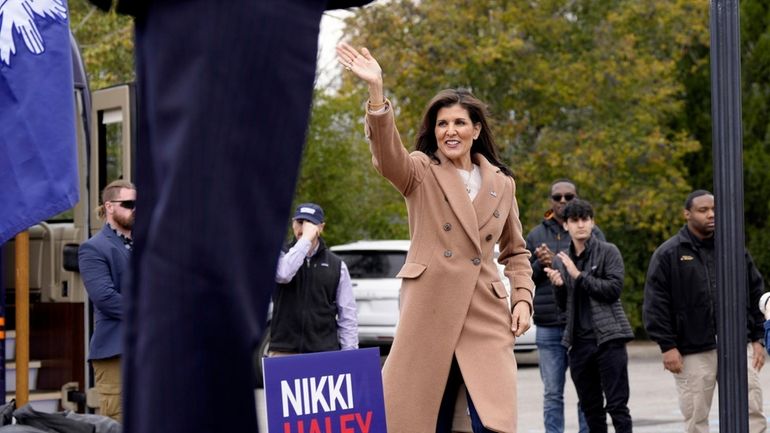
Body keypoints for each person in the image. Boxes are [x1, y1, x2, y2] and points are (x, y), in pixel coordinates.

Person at [80, 1, 374, 433]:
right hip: (235, 21)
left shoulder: (333, 264)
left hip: (196, 24)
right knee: (202, 293)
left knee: (188, 290)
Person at [336, 42, 534, 433]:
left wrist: (523, 299)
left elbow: (516, 252)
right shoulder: (421, 172)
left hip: (486, 316)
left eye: (459, 123)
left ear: (476, 130)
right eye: (442, 124)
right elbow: (387, 156)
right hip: (429, 314)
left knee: (492, 423)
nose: (450, 131)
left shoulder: (502, 183)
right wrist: (377, 93)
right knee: (428, 420)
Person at [643, 189, 766, 433]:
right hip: (692, 350)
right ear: (687, 214)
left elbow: (755, 292)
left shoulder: (733, 249)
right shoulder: (669, 253)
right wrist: (667, 346)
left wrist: (757, 338)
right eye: (703, 210)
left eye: (714, 210)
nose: (711, 215)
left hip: (735, 344)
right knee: (696, 417)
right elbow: (655, 303)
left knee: (752, 409)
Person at [544, 199, 633, 433]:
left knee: (617, 406)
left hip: (609, 339)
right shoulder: (561, 259)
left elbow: (613, 290)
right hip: (579, 343)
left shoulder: (608, 251)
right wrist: (559, 286)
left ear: (592, 223)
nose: (580, 225)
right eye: (574, 220)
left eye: (585, 219)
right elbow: (563, 308)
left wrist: (578, 275)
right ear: (566, 226)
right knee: (590, 408)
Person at [525, 179, 604, 433]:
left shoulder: (592, 231)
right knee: (552, 393)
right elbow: (525, 277)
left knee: (587, 390)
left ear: (576, 198)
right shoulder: (536, 235)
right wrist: (540, 263)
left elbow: (600, 272)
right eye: (557, 197)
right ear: (550, 200)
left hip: (583, 324)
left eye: (568, 197)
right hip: (550, 324)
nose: (562, 202)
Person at [78, 179, 136, 422]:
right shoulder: (94, 248)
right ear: (109, 206)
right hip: (115, 352)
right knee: (119, 422)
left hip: (152, 349)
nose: (136, 209)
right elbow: (105, 298)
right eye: (129, 204)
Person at [269, 203, 358, 354]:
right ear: (292, 223)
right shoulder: (281, 255)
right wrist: (305, 240)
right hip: (284, 350)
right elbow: (283, 274)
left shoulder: (336, 265)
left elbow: (348, 315)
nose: (303, 228)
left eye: (309, 223)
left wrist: (350, 354)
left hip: (323, 352)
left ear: (321, 227)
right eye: (300, 222)